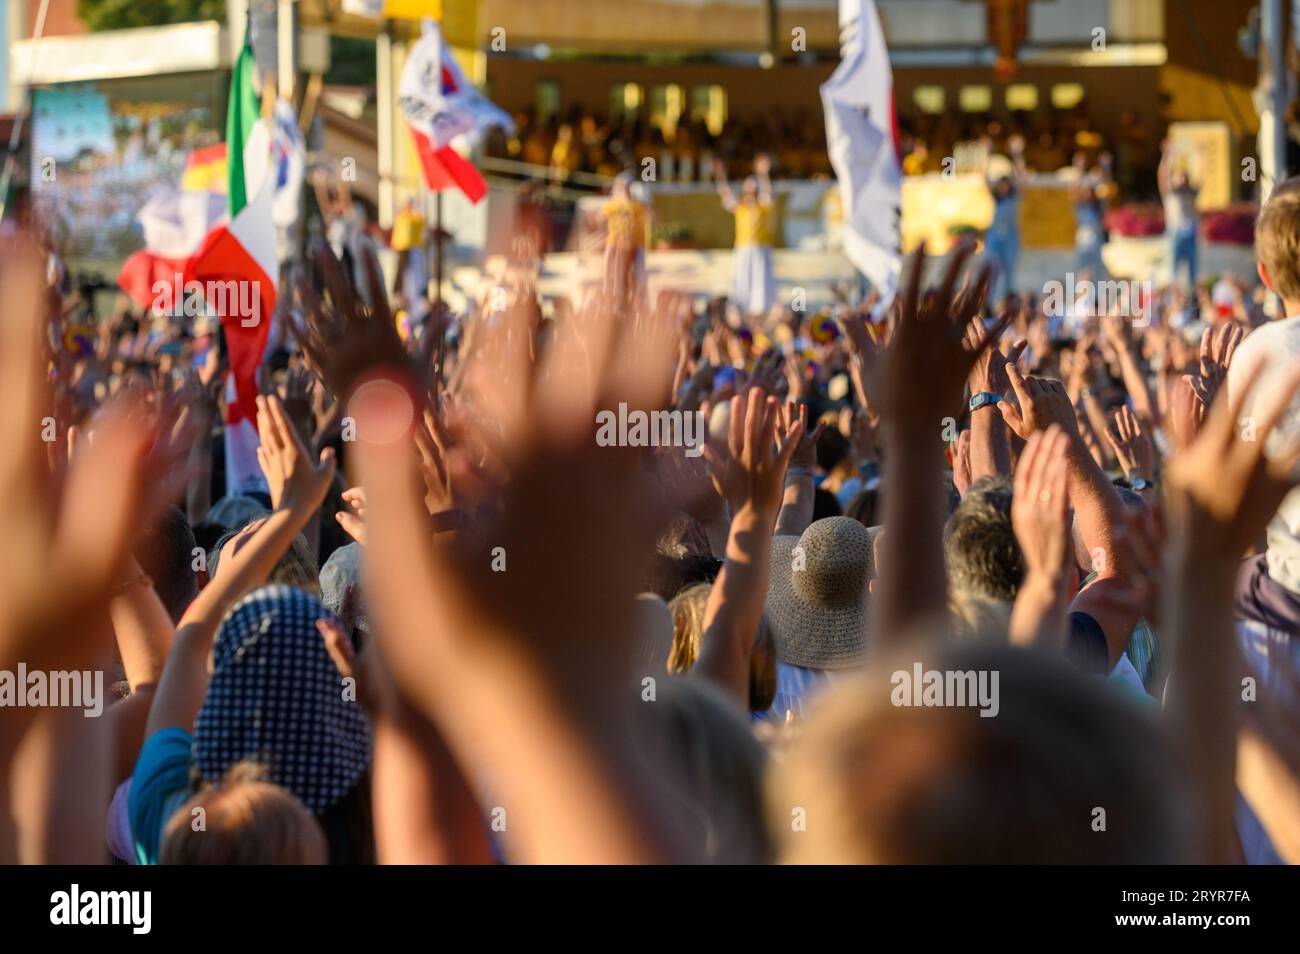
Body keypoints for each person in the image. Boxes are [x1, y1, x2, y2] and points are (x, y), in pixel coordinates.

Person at [714, 155, 777, 317]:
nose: (750, 193)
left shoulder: (763, 206)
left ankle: (760, 310)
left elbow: (768, 194)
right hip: (743, 248)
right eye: (748, 190)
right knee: (742, 280)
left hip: (760, 249)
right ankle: (742, 308)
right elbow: (726, 195)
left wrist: (763, 175)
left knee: (761, 281)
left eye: (753, 190)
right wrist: (720, 176)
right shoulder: (741, 207)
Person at [984, 134, 1026, 300]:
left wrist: (1017, 154)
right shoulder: (995, 199)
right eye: (1001, 185)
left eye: (1006, 185)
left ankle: (1009, 298)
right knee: (991, 269)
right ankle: (988, 301)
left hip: (1010, 235)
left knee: (1010, 269)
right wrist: (986, 154)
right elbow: (984, 178)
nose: (1004, 188)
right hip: (994, 235)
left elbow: (1021, 178)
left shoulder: (1014, 198)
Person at [1159, 138, 1202, 290]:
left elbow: (1200, 177)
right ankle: (1173, 299)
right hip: (1175, 231)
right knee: (1173, 269)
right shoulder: (1170, 194)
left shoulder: (1191, 194)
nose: (1182, 179)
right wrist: (1167, 156)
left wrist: (1199, 156)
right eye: (1178, 176)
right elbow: (1163, 176)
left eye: (1184, 176)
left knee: (1193, 269)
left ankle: (1193, 299)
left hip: (1190, 232)